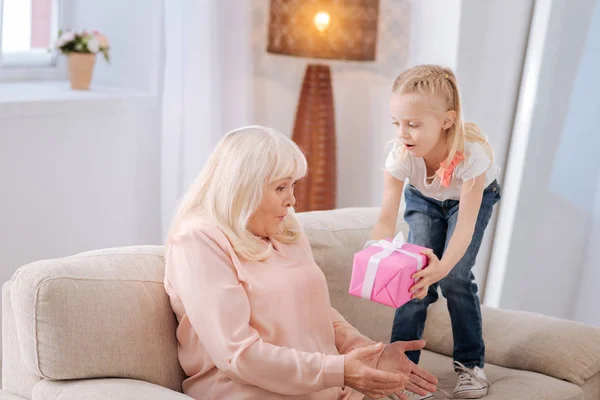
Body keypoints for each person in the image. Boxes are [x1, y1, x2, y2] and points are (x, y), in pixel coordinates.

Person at [164, 126, 438, 400]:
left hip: (327, 392)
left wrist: (370, 355)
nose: (292, 200)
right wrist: (339, 371)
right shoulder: (198, 240)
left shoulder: (285, 228)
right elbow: (237, 353)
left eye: (293, 185)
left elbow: (318, 313)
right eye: (281, 187)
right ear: (241, 187)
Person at [372, 65, 501, 399]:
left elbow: (466, 226)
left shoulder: (474, 156)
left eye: (413, 125)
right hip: (425, 198)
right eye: (396, 123)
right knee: (414, 278)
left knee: (455, 277)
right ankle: (402, 369)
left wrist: (441, 269)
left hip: (471, 200)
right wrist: (380, 251)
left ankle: (471, 365)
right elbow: (386, 216)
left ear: (447, 120)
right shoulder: (400, 156)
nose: (402, 133)